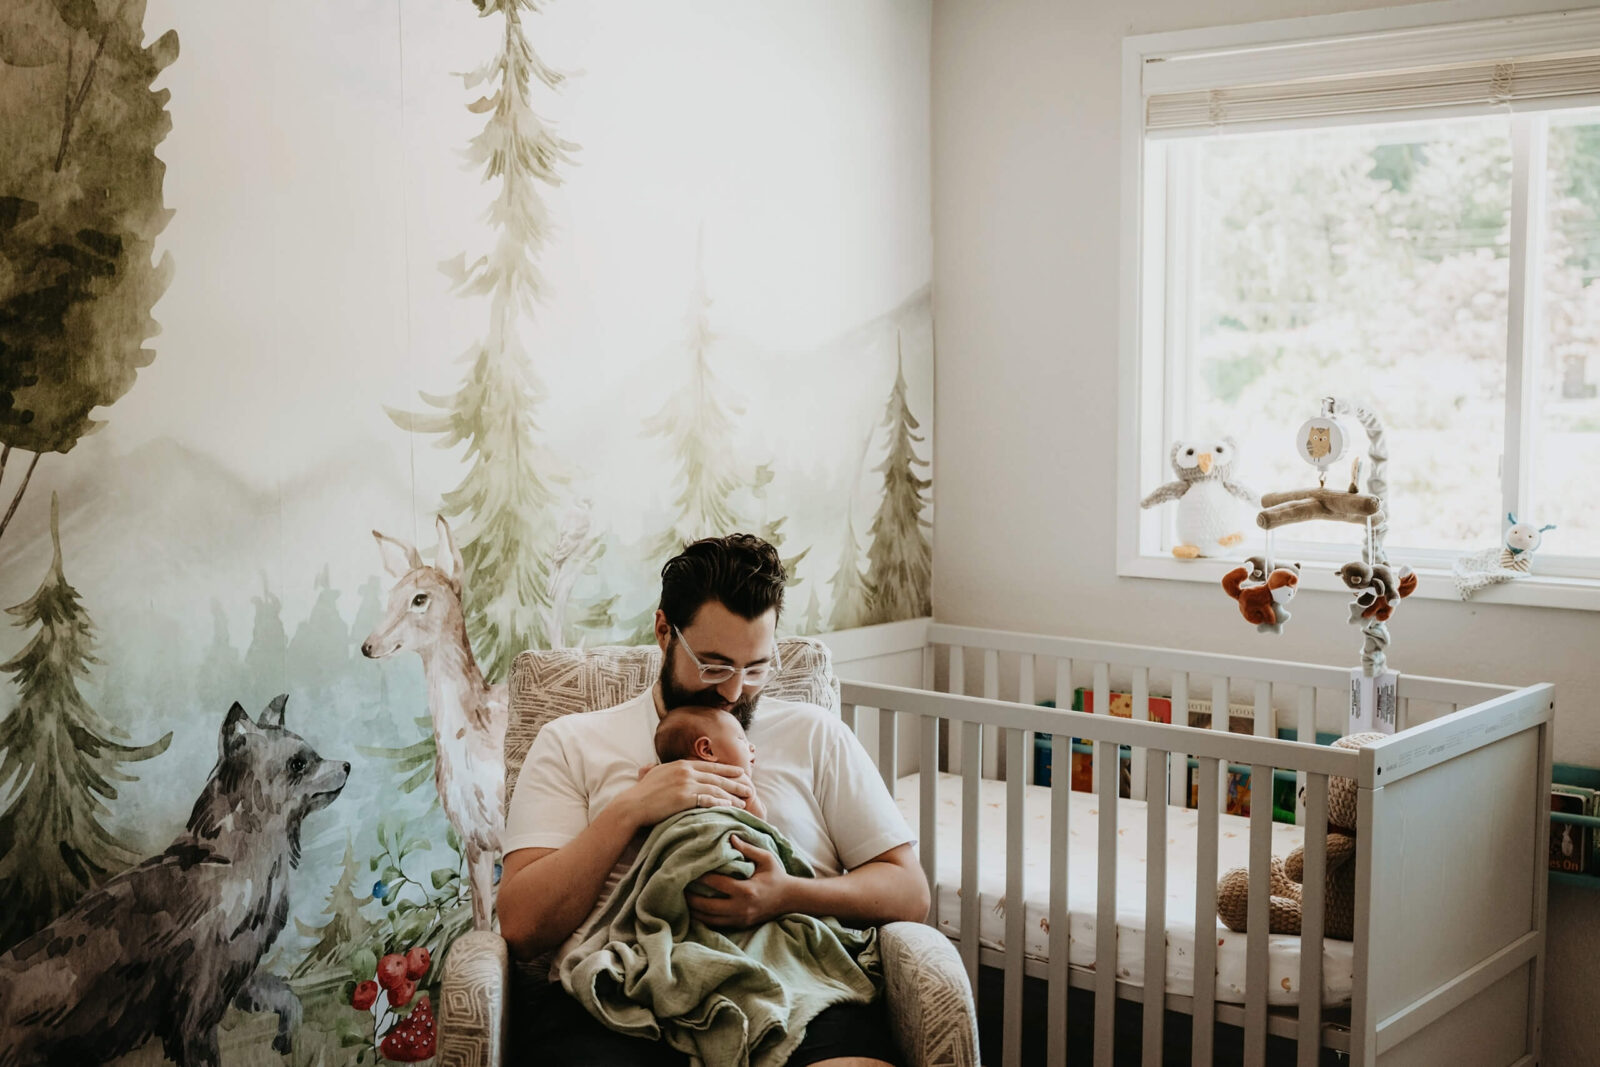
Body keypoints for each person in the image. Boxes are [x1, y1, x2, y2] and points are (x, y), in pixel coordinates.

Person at [499, 534, 929, 1067]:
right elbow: (520, 927)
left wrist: (786, 893)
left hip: (794, 991)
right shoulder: (572, 741)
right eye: (715, 665)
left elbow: (908, 891)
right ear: (664, 632)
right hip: (623, 1006)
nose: (733, 692)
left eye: (755, 668)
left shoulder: (816, 734)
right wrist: (630, 810)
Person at [653, 705, 768, 820]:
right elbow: (759, 823)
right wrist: (750, 797)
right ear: (707, 750)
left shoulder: (661, 786)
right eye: (741, 739)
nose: (752, 746)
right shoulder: (738, 782)